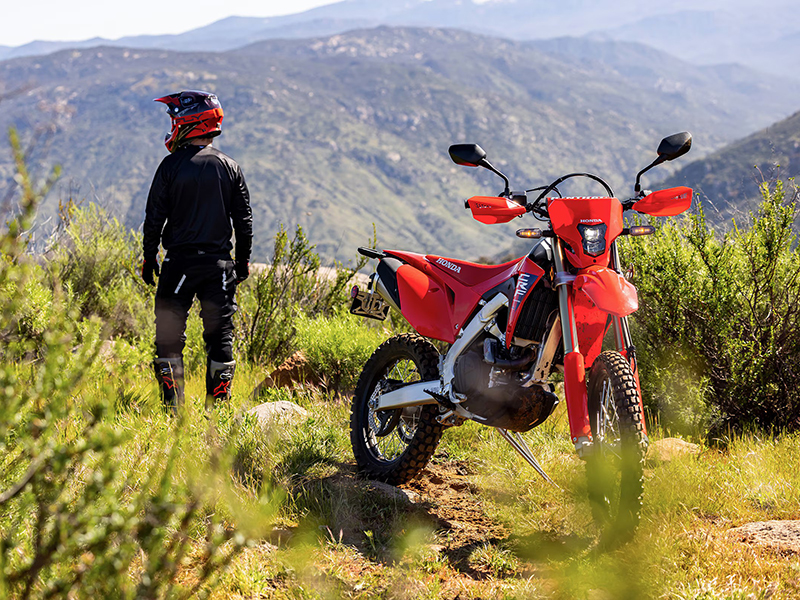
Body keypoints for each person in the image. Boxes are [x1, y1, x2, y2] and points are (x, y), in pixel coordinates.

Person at [141, 90, 253, 414]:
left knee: (168, 337)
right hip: (219, 266)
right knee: (220, 338)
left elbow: (153, 218)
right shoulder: (230, 166)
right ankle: (216, 412)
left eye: (176, 119)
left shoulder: (170, 166)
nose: (172, 125)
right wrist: (242, 262)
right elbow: (244, 220)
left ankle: (172, 411)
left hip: (178, 265)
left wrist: (150, 257)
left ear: (189, 123)